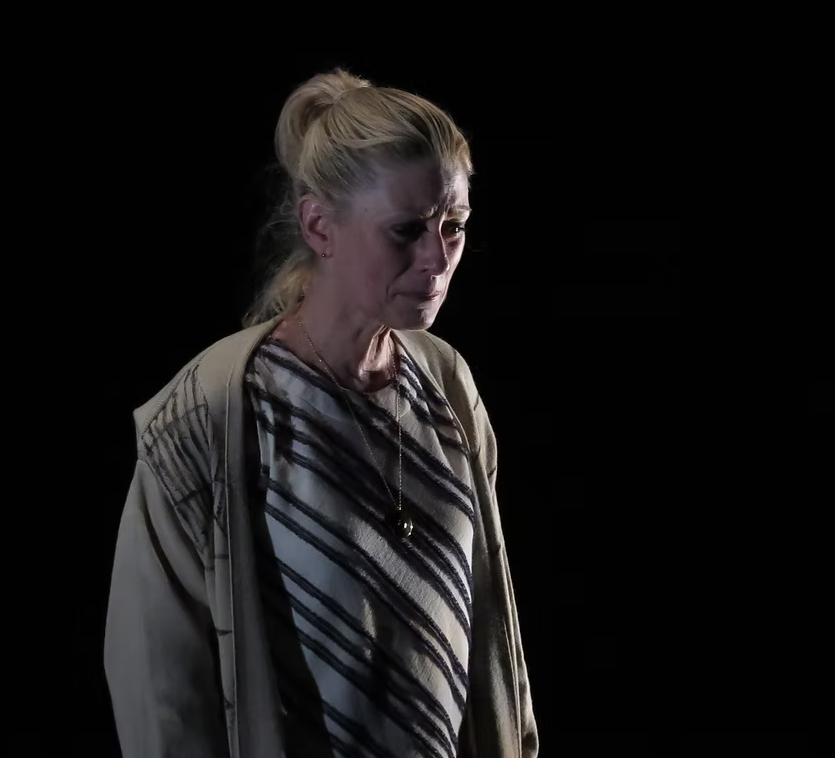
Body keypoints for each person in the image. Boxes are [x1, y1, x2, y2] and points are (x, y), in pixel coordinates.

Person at [104, 68, 538, 758]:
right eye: (406, 230)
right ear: (318, 225)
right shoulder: (212, 414)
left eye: (453, 226)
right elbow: (164, 694)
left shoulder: (447, 385)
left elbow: (490, 635)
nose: (437, 258)